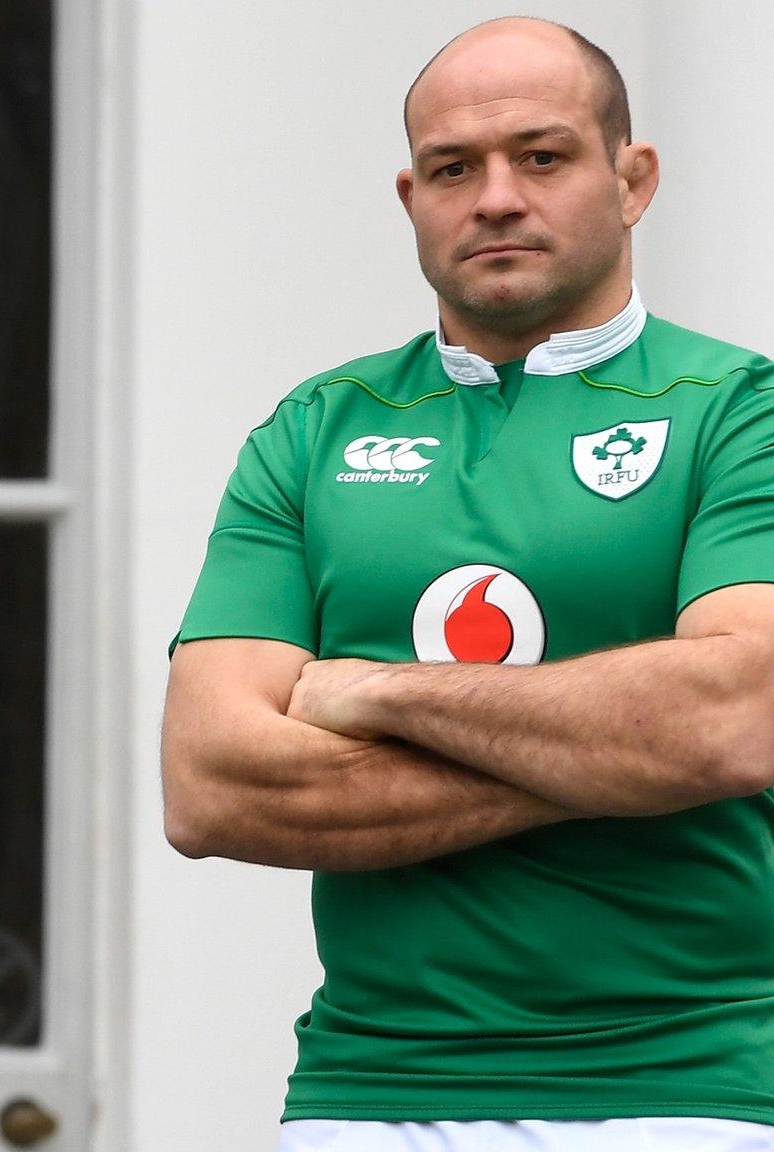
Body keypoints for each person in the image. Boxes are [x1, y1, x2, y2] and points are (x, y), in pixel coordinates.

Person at [163, 17, 774, 1152]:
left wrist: (374, 693)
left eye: (540, 157)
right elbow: (211, 788)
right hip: (365, 1091)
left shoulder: (740, 412)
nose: (494, 197)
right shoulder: (309, 432)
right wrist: (622, 752)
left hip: (692, 1088)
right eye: (453, 168)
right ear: (410, 199)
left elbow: (735, 720)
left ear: (630, 179)